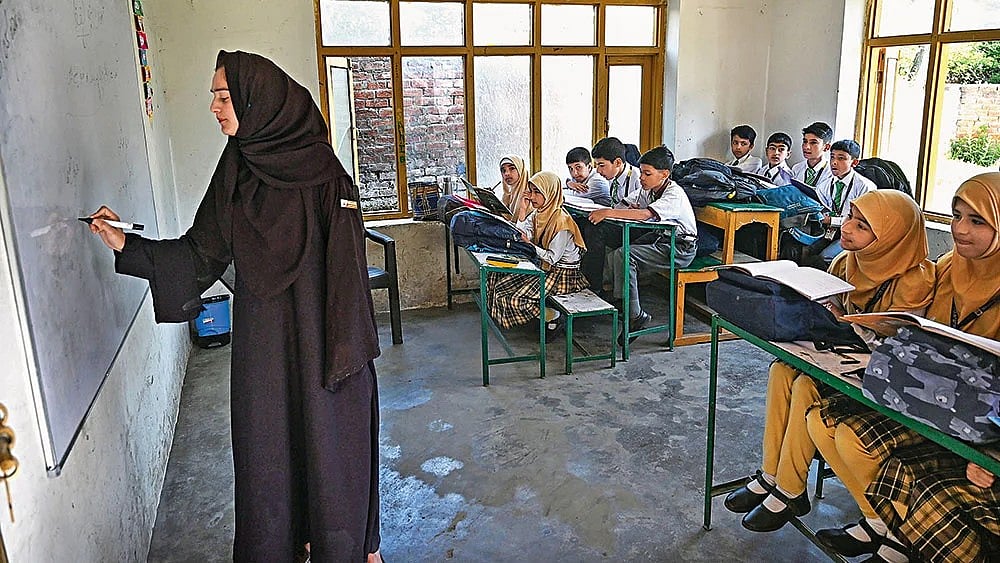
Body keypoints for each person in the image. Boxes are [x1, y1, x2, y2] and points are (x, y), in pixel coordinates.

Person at [86, 51, 383, 563]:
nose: (214, 107)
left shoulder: (327, 179)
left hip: (326, 345)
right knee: (269, 452)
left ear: (257, 101)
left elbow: (350, 281)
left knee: (333, 448)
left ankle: (349, 546)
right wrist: (126, 246)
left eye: (223, 96)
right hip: (265, 350)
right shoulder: (237, 173)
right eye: (214, 96)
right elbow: (201, 251)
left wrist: (347, 360)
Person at [726, 190, 934, 538]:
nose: (847, 229)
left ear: (892, 237)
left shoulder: (916, 280)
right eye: (850, 217)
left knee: (807, 387)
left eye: (862, 225)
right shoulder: (844, 261)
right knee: (781, 369)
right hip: (839, 354)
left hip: (887, 373)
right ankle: (772, 475)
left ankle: (790, 490)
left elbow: (905, 348)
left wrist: (849, 321)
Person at [814, 173, 1000, 563]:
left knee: (860, 441)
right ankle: (883, 525)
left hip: (983, 421)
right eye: (956, 215)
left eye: (977, 220)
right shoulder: (948, 267)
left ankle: (895, 535)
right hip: (930, 396)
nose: (959, 230)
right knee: (826, 419)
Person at [587, 146, 697, 347]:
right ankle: (625, 305)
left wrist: (608, 213)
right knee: (613, 255)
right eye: (642, 172)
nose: (642, 178)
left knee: (624, 255)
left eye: (648, 174)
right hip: (661, 240)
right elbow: (627, 203)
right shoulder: (649, 190)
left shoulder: (674, 194)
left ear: (664, 174)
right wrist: (618, 209)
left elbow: (646, 214)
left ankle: (635, 315)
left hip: (680, 248)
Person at [486, 171, 588, 334]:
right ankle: (547, 317)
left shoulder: (561, 221)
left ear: (550, 193)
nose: (532, 197)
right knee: (499, 287)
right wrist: (523, 208)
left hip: (562, 275)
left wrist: (530, 245)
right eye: (530, 191)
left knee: (514, 299)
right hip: (545, 268)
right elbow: (521, 233)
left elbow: (552, 258)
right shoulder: (539, 213)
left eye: (537, 192)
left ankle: (554, 316)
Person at [577, 137, 645, 290]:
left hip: (637, 229)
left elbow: (642, 213)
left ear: (618, 162)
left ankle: (594, 286)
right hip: (618, 223)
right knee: (582, 223)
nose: (598, 171)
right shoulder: (612, 177)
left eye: (602, 165)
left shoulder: (637, 178)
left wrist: (611, 213)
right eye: (597, 166)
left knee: (595, 230)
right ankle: (580, 277)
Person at [809, 139, 877, 266]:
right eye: (832, 157)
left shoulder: (865, 187)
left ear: (854, 162)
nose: (834, 162)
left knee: (825, 257)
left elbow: (862, 222)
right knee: (808, 251)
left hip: (855, 234)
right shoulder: (825, 185)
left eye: (841, 158)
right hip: (832, 231)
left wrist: (832, 220)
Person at [791, 121, 834, 188]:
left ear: (826, 147)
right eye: (805, 141)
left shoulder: (832, 173)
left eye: (813, 143)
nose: (806, 147)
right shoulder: (796, 168)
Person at [496, 154, 531, 222]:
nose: (507, 173)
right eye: (503, 170)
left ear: (521, 170)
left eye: (512, 168)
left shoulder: (530, 195)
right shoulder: (508, 194)